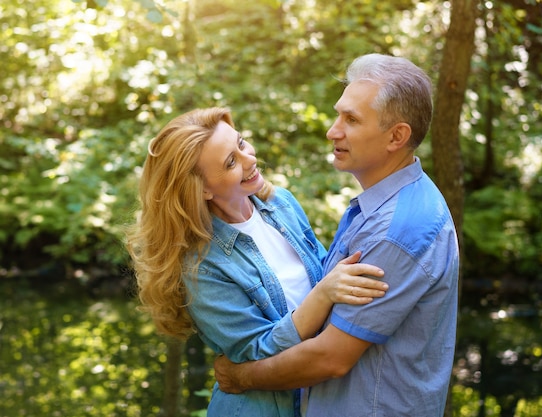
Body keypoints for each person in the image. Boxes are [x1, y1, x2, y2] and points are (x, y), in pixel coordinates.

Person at [214, 53, 460, 417]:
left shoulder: (397, 230)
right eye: (338, 114)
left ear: (397, 136)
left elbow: (330, 357)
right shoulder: (380, 204)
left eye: (352, 119)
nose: (333, 130)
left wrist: (240, 377)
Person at [125, 107, 389, 417]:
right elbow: (255, 354)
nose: (250, 159)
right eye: (231, 162)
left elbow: (326, 274)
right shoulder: (200, 266)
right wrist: (323, 295)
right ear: (202, 189)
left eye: (240, 143)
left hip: (322, 401)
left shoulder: (281, 204)